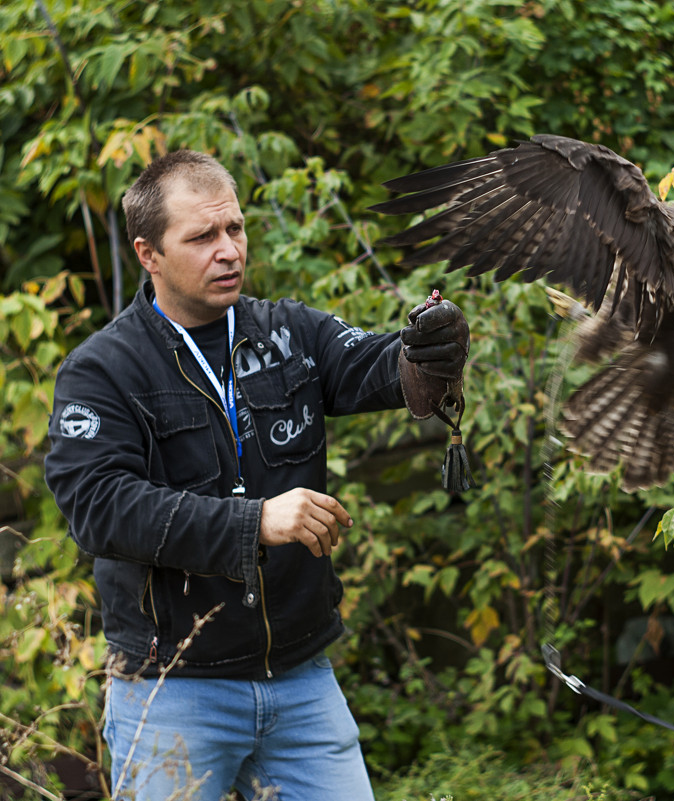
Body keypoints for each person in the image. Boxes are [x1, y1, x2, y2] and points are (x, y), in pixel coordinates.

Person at [44, 149, 469, 801]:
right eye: (203, 236)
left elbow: (380, 365)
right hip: (172, 691)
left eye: (236, 228)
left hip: (300, 680)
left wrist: (430, 352)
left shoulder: (289, 332)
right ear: (148, 253)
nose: (229, 250)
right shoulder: (102, 371)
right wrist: (256, 521)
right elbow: (100, 507)